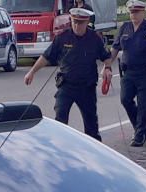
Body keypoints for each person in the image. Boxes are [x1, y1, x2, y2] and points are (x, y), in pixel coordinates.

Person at [24, 8, 113, 141]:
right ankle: (60, 145)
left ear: (87, 22)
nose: (77, 25)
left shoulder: (94, 38)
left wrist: (108, 68)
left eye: (80, 23)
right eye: (74, 22)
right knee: (60, 117)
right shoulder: (62, 37)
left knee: (91, 123)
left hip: (86, 87)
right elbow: (46, 56)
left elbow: (106, 56)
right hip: (66, 85)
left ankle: (94, 146)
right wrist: (32, 72)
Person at [109, 0, 146, 147]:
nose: (133, 15)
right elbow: (115, 48)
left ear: (143, 12)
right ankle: (139, 127)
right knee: (125, 99)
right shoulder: (125, 27)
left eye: (136, 12)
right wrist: (107, 66)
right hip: (128, 72)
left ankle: (140, 135)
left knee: (144, 105)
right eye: (131, 12)